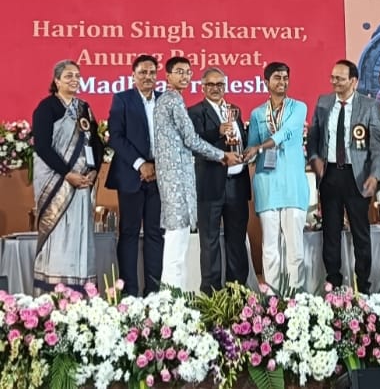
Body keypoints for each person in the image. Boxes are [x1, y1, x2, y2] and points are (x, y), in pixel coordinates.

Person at [154, 56, 242, 289]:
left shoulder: (171, 100)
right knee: (176, 246)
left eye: (187, 72)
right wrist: (223, 155)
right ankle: (172, 298)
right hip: (177, 181)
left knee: (177, 246)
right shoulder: (173, 101)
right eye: (179, 72)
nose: (184, 76)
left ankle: (175, 297)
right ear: (168, 75)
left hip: (180, 179)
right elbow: (192, 140)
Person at [307, 59, 380, 294]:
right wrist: (315, 158)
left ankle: (364, 287)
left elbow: (378, 146)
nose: (334, 82)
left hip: (357, 177)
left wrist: (375, 175)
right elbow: (313, 137)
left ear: (354, 81)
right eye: (332, 77)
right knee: (330, 232)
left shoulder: (369, 106)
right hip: (330, 175)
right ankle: (334, 285)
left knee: (360, 233)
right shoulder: (323, 103)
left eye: (340, 79)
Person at [32, 60, 104, 293]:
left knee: (80, 232)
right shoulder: (47, 108)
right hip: (57, 182)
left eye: (77, 76)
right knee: (59, 232)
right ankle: (55, 289)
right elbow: (42, 147)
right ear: (57, 80)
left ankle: (81, 286)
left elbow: (96, 142)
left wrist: (94, 170)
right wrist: (67, 174)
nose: (74, 80)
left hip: (82, 183)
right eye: (68, 76)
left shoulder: (84, 108)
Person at [244, 62, 309, 292]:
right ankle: (271, 298)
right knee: (270, 248)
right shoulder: (257, 114)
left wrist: (260, 147)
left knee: (295, 249)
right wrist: (243, 152)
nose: (282, 82)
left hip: (292, 186)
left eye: (285, 78)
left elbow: (286, 132)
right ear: (266, 82)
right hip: (267, 185)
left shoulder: (298, 108)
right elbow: (252, 147)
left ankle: (296, 298)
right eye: (277, 78)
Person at [188, 67, 251, 295]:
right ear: (203, 87)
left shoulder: (234, 110)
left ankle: (237, 292)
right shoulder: (194, 112)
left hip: (237, 184)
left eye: (220, 84)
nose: (216, 88)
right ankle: (211, 293)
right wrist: (218, 131)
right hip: (210, 184)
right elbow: (194, 143)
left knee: (237, 240)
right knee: (210, 241)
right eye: (211, 84)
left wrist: (247, 151)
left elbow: (240, 140)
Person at [105, 54, 163, 296]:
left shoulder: (164, 100)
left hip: (159, 176)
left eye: (152, 72)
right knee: (129, 233)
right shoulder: (122, 99)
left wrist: (158, 166)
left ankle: (155, 293)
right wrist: (141, 165)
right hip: (131, 175)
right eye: (143, 72)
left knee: (155, 234)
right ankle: (129, 293)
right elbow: (116, 137)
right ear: (133, 75)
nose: (148, 77)